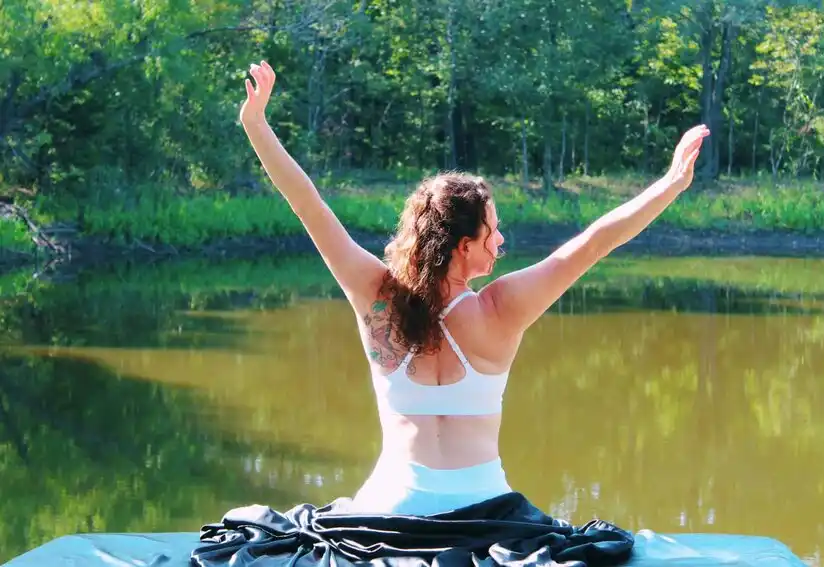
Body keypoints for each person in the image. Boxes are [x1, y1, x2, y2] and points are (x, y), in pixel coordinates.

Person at [239, 60, 709, 517]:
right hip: (484, 508)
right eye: (492, 232)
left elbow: (308, 205)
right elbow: (593, 243)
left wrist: (257, 124)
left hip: (392, 507)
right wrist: (671, 183)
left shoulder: (376, 296)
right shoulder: (502, 309)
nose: (501, 240)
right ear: (464, 246)